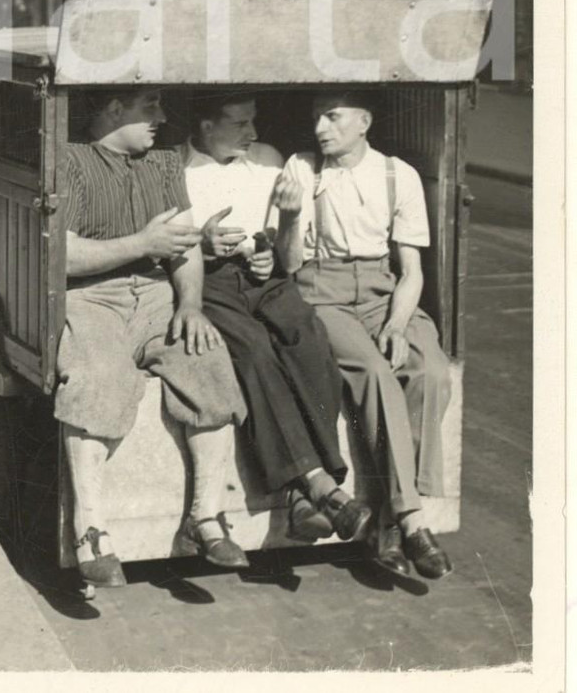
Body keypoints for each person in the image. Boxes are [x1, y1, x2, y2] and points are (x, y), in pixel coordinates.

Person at [54, 85, 249, 587]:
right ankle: (90, 531)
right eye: (149, 106)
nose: (162, 117)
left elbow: (183, 247)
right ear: (113, 109)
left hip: (160, 294)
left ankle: (206, 517)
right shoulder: (70, 160)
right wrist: (142, 243)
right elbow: (64, 256)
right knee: (98, 379)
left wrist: (190, 304)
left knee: (209, 365)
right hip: (91, 295)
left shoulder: (164, 163)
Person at [273, 90, 454, 580]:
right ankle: (412, 520)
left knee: (430, 369)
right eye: (315, 118)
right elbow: (288, 264)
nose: (320, 129)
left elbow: (411, 270)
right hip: (322, 290)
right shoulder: (302, 168)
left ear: (364, 121)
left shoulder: (399, 175)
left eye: (332, 117)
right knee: (374, 371)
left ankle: (386, 523)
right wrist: (289, 217)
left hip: (382, 291)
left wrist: (396, 324)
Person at [181, 94, 371, 545]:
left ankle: (304, 493)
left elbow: (285, 253)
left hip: (264, 278)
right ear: (207, 127)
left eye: (254, 121)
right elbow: (171, 244)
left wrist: (280, 232)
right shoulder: (175, 170)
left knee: (307, 335)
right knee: (254, 351)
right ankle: (321, 486)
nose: (252, 133)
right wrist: (201, 243)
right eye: (240, 123)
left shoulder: (268, 161)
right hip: (210, 281)